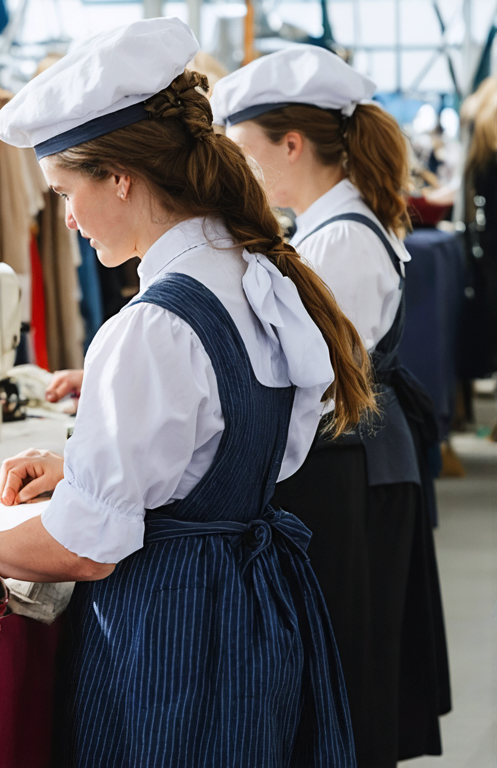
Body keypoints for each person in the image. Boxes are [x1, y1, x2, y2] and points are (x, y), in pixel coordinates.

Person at [0, 18, 373, 766]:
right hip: (251, 612)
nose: (66, 219)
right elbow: (234, 456)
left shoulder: (153, 326)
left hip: (178, 633)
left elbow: (80, 551)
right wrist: (86, 468)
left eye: (66, 192)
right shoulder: (252, 274)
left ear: (119, 177)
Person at [213, 46, 450, 765]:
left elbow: (312, 374)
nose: (240, 167)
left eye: (244, 150)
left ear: (290, 144)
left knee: (351, 658)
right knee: (351, 655)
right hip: (353, 458)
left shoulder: (340, 237)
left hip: (353, 466)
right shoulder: (328, 226)